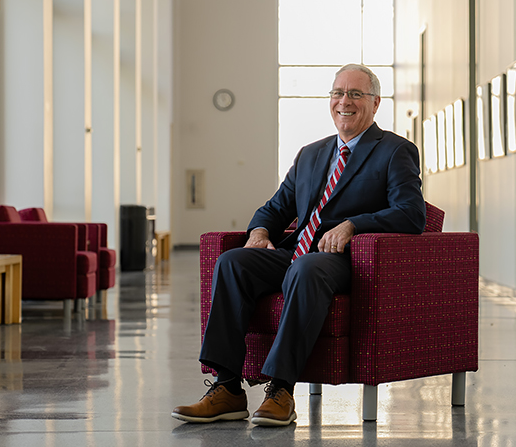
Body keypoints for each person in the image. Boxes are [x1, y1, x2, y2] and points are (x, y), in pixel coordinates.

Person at [172, 64, 426, 427]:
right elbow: (276, 207)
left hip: (346, 261)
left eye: (356, 94)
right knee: (232, 262)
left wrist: (354, 225)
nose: (344, 101)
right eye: (338, 93)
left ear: (375, 103)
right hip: (296, 252)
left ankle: (281, 390)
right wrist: (259, 232)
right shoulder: (311, 154)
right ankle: (227, 388)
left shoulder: (394, 151)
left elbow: (411, 213)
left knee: (307, 269)